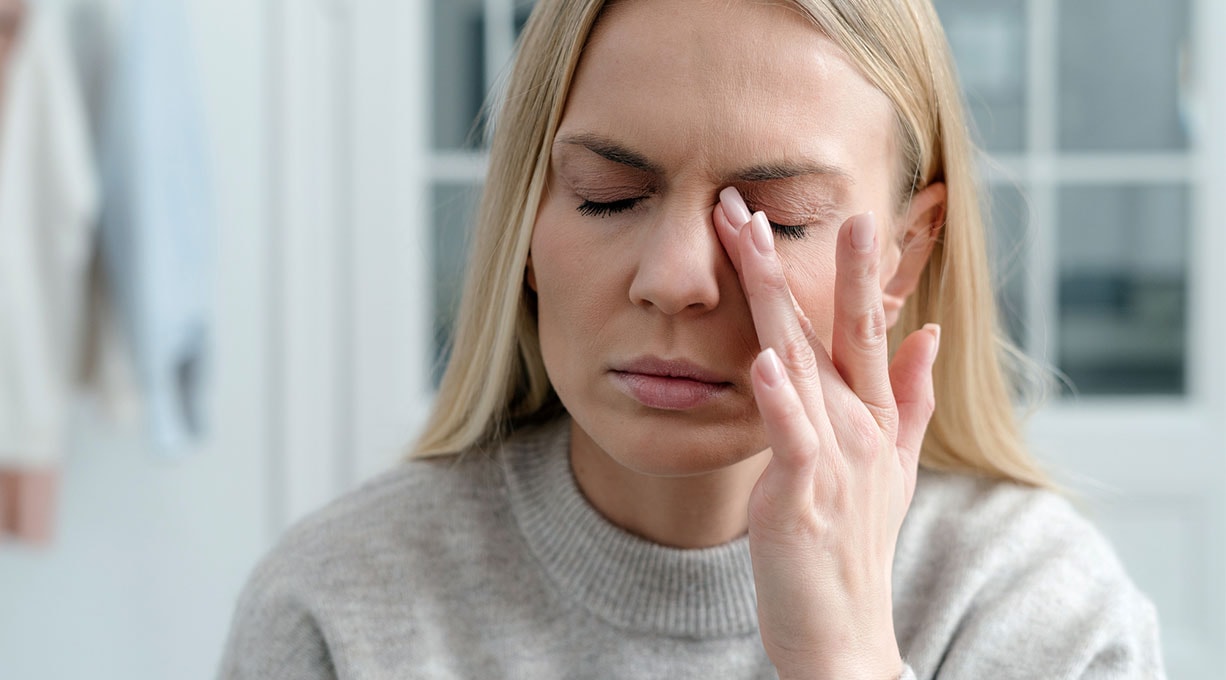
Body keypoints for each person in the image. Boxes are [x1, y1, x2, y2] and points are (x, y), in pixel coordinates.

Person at [218, 0, 1165, 677]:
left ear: (902, 255)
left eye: (778, 219)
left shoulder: (1040, 611)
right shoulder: (338, 605)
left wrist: (846, 658)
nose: (674, 278)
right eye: (607, 197)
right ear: (528, 228)